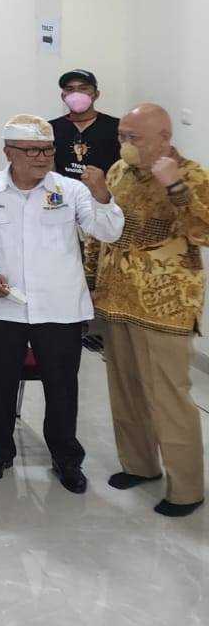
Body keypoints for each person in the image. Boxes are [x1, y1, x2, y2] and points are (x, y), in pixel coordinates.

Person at [0, 114, 123, 491]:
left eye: (47, 149)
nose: (42, 157)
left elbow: (108, 231)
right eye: (31, 150)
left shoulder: (71, 190)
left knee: (62, 387)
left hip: (60, 308)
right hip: (4, 306)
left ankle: (66, 457)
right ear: (8, 153)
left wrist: (102, 195)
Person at [93, 104, 207, 516]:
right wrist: (91, 282)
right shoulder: (117, 172)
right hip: (116, 298)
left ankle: (187, 489)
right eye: (121, 136)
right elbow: (101, 230)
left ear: (164, 138)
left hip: (165, 304)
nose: (125, 144)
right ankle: (139, 465)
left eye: (134, 137)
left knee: (168, 398)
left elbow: (204, 230)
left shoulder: (191, 174)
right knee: (125, 390)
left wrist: (174, 186)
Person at [52, 68, 121, 181]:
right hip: (62, 191)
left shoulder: (117, 127)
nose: (76, 94)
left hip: (105, 191)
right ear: (63, 96)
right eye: (70, 89)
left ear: (96, 94)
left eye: (83, 88)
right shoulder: (50, 128)